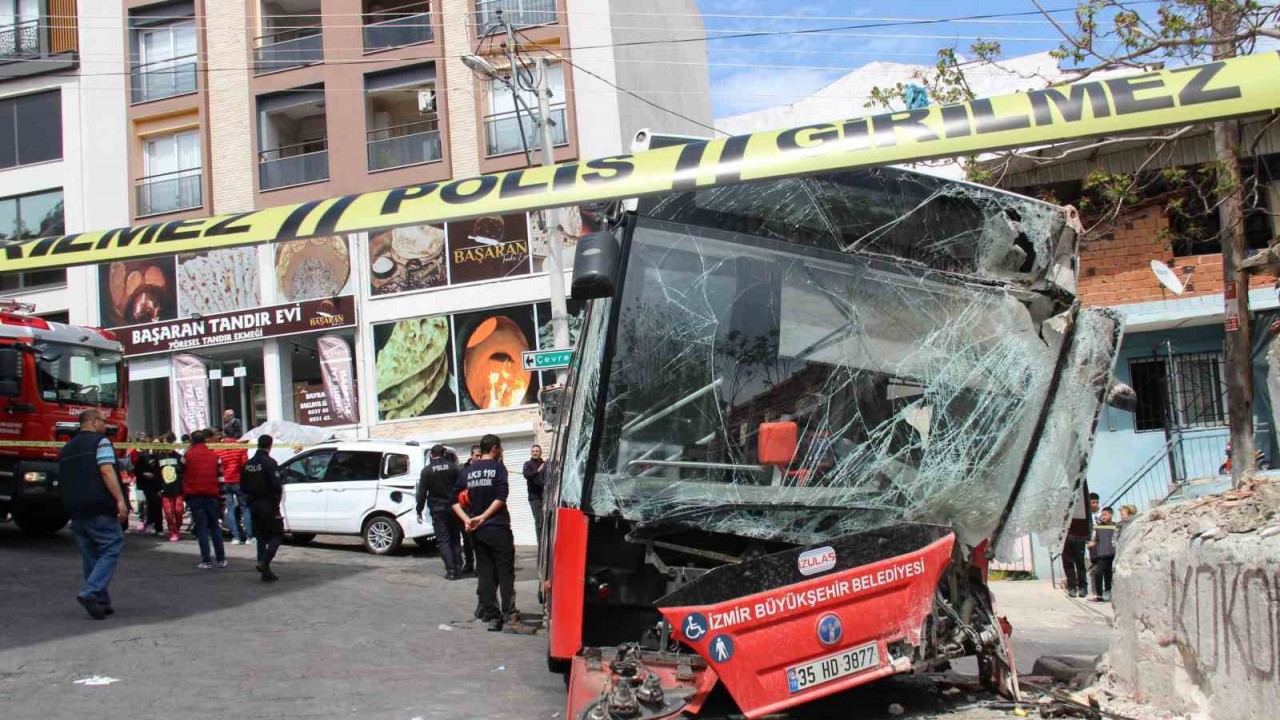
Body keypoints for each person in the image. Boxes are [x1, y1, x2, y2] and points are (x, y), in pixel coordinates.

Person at [59, 409, 129, 620]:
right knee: (112, 546)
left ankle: (100, 600)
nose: (106, 426)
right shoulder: (101, 442)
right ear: (94, 422)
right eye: (104, 422)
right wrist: (120, 500)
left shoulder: (67, 448)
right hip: (99, 506)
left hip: (76, 509)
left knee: (91, 554)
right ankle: (90, 593)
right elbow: (106, 470)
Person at [454, 434, 528, 632]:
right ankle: (509, 616)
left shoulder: (468, 471)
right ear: (494, 448)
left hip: (478, 532)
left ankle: (492, 616)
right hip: (497, 527)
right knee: (505, 572)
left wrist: (468, 519)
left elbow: (454, 501)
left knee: (486, 572)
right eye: (500, 448)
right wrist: (484, 516)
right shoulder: (498, 468)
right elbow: (501, 498)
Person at [241, 435, 283, 582]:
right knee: (277, 534)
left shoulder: (248, 464)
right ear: (270, 446)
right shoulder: (270, 463)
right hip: (268, 504)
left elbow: (243, 487)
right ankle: (264, 562)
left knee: (260, 537)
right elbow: (276, 486)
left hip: (253, 504)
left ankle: (264, 570)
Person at [183, 431, 227, 569]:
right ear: (205, 440)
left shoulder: (187, 456)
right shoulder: (215, 456)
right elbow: (220, 478)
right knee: (215, 527)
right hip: (212, 495)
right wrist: (222, 498)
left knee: (201, 528)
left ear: (192, 441)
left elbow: (180, 472)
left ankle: (206, 560)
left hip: (195, 495)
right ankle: (221, 559)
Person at [417, 445, 462, 580]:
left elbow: (422, 493)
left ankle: (451, 571)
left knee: (443, 540)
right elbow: (461, 487)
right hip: (454, 508)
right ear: (444, 454)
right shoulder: (454, 468)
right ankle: (459, 566)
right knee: (455, 538)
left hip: (438, 509)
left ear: (431, 455)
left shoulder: (427, 471)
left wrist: (419, 510)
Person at [216, 437, 252, 545]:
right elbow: (245, 465)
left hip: (225, 482)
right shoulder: (240, 449)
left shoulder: (218, 450)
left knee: (230, 508)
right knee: (245, 508)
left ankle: (235, 537)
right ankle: (249, 537)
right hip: (238, 481)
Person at [134, 439, 164, 536]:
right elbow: (136, 471)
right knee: (148, 504)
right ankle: (148, 523)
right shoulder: (143, 456)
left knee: (157, 505)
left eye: (158, 444)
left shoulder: (162, 456)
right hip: (146, 485)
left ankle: (159, 528)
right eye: (154, 444)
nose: (156, 446)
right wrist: (144, 474)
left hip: (159, 485)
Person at [1088, 506, 1118, 602]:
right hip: (1102, 554)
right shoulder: (1099, 527)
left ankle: (1109, 593)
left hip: (1113, 554)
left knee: (1109, 574)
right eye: (1102, 515)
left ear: (1111, 514)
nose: (1103, 517)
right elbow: (1097, 539)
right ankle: (1099, 595)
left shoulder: (1116, 526)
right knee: (1098, 573)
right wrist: (1093, 544)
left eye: (1105, 515)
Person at [523, 445, 547, 551]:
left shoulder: (545, 464)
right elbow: (527, 475)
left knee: (547, 521)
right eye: (533, 451)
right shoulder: (528, 464)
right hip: (534, 497)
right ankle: (541, 545)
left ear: (540, 452)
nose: (535, 453)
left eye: (537, 451)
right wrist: (538, 471)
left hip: (546, 496)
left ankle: (548, 544)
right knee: (539, 521)